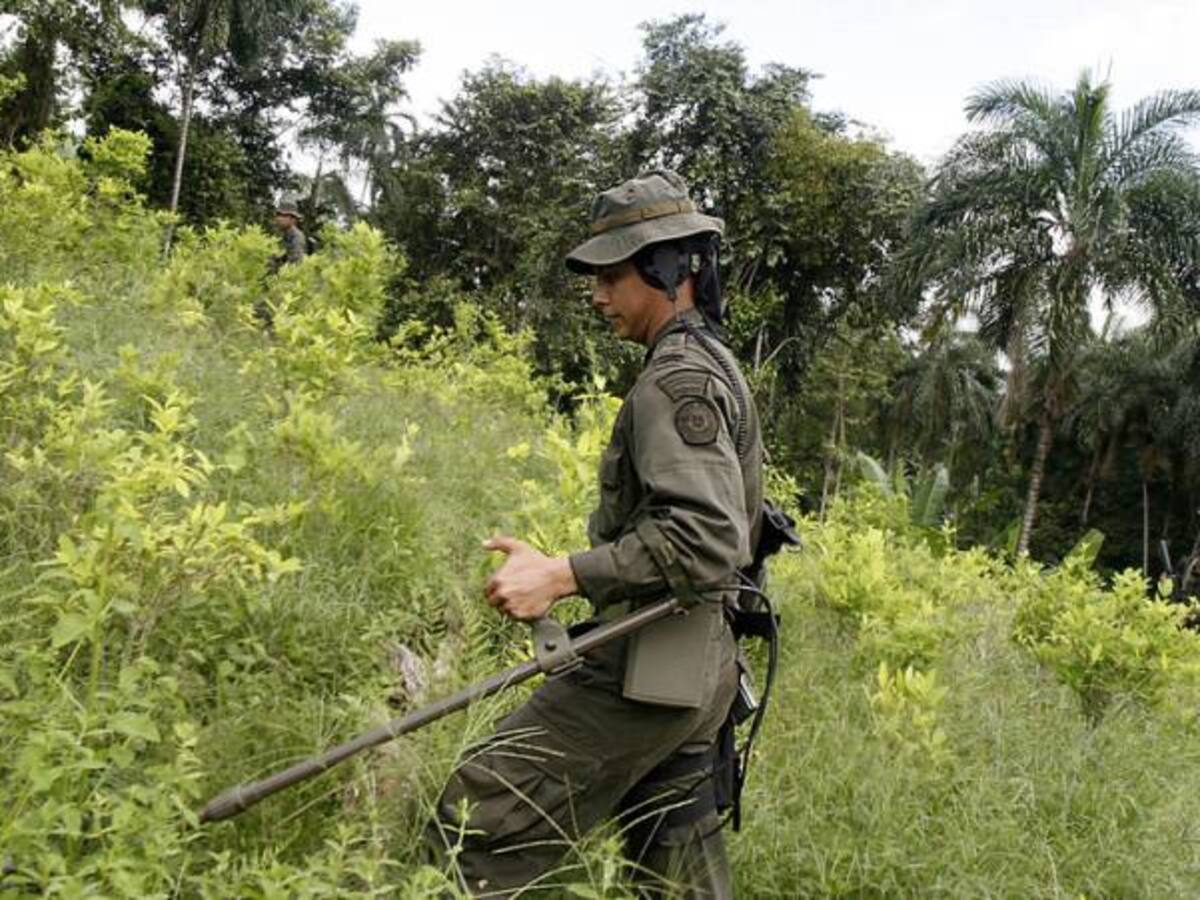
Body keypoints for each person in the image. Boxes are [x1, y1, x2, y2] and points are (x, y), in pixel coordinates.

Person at [426, 170, 765, 898]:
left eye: (613, 275)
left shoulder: (676, 382)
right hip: (695, 666)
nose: (598, 295)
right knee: (674, 870)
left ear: (669, 270)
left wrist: (561, 575)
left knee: (473, 819)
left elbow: (707, 536)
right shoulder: (712, 363)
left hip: (654, 665)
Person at [272, 200, 307, 269]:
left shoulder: (297, 237)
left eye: (283, 215)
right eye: (278, 215)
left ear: (293, 219)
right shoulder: (281, 235)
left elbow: (296, 263)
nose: (279, 218)